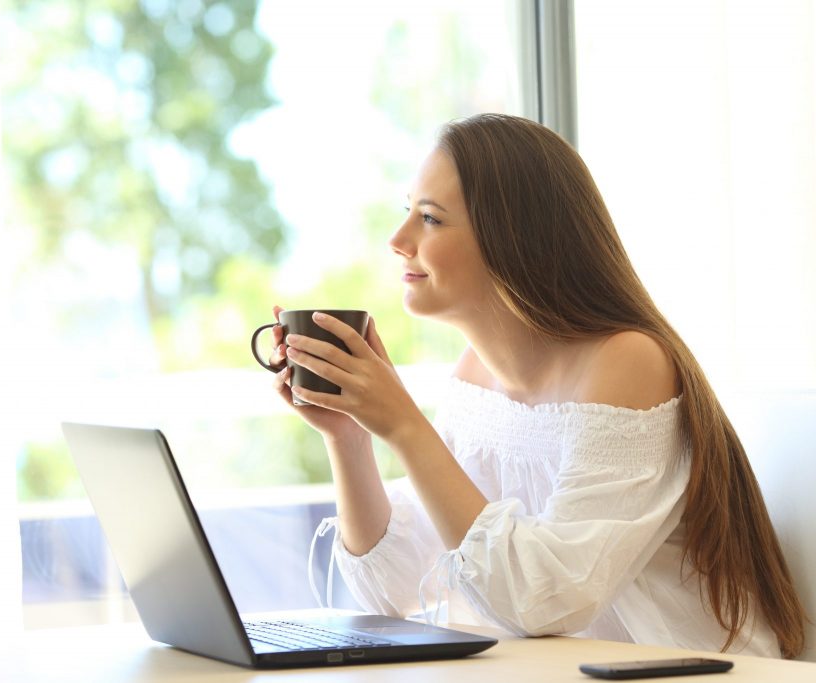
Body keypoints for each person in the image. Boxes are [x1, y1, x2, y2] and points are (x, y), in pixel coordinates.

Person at [264, 114, 806, 658]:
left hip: (678, 671)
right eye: (407, 211)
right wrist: (350, 438)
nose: (398, 240)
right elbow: (391, 591)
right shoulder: (475, 374)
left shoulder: (629, 362)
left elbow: (548, 602)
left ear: (513, 237)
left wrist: (405, 426)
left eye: (429, 218)